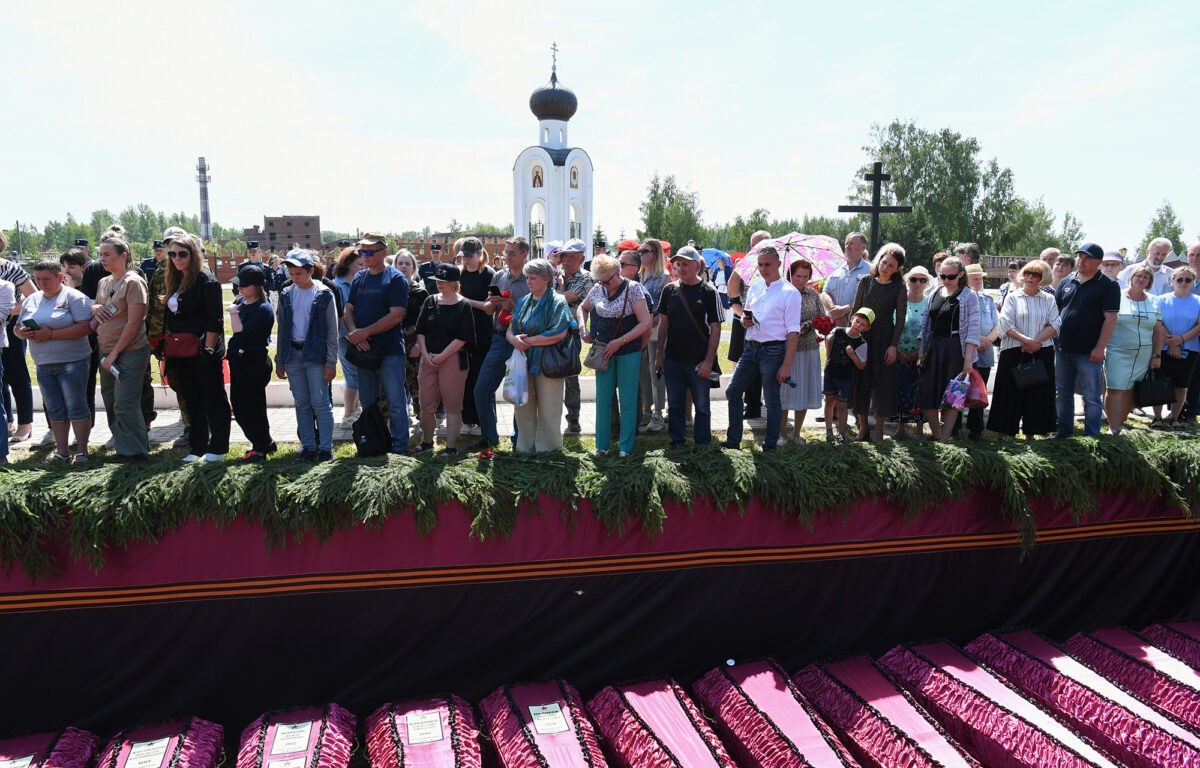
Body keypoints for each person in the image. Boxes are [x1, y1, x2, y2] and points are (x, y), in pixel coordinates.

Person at [15, 261, 93, 464]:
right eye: (38, 279)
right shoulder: (31, 299)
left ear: (60, 277)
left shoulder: (74, 297)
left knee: (76, 406)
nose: (42, 283)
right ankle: (62, 452)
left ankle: (82, 451)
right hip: (43, 364)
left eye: (46, 279)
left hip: (72, 362)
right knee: (54, 408)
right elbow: (17, 327)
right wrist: (22, 332)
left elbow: (86, 327)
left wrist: (50, 335)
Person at [724, 245, 801, 451]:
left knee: (772, 399)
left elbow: (793, 332)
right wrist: (744, 320)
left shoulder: (790, 293)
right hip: (751, 347)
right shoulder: (755, 287)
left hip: (773, 351)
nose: (763, 269)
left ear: (779, 264)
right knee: (733, 391)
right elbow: (746, 314)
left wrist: (787, 365)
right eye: (760, 265)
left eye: (767, 264)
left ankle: (769, 446)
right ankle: (733, 441)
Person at [162, 233, 231, 462]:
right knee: (191, 399)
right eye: (172, 254)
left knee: (213, 398)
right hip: (180, 351)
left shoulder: (206, 280)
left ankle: (218, 448)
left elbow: (215, 320)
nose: (177, 258)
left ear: (193, 254)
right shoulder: (174, 278)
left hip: (204, 350)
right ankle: (198, 446)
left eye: (182, 254)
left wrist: (208, 352)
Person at [345, 233, 411, 455]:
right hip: (363, 350)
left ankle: (400, 445)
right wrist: (355, 333)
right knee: (368, 401)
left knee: (395, 401)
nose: (364, 255)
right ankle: (373, 441)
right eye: (361, 251)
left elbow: (396, 315)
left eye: (369, 252)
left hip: (389, 351)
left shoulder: (396, 279)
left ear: (383, 253)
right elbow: (349, 309)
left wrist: (365, 333)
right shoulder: (359, 277)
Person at [581, 254, 652, 457]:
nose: (605, 285)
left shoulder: (634, 289)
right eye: (601, 281)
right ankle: (601, 446)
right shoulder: (598, 288)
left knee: (628, 400)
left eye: (608, 281)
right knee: (603, 398)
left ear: (618, 273)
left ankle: (625, 447)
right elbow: (583, 308)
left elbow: (645, 323)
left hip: (628, 351)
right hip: (604, 351)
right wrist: (582, 328)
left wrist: (620, 342)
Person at [507, 258, 576, 454]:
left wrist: (527, 341)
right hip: (523, 362)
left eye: (533, 278)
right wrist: (513, 339)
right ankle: (525, 448)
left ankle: (548, 450)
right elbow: (510, 329)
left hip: (549, 363)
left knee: (549, 408)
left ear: (546, 278)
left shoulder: (558, 301)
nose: (528, 282)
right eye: (527, 278)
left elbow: (559, 333)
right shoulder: (524, 301)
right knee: (523, 406)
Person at [654, 246, 722, 447]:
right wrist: (660, 356)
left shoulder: (709, 292)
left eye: (685, 264)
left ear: (697, 266)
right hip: (673, 359)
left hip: (699, 362)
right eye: (678, 264)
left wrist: (708, 361)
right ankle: (677, 444)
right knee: (675, 405)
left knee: (702, 407)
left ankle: (703, 446)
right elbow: (663, 324)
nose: (681, 268)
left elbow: (716, 328)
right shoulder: (669, 290)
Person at [276, 250, 339, 462]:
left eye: (299, 273)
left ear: (311, 270)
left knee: (320, 403)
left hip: (316, 356)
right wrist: (280, 359)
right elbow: (282, 328)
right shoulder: (286, 294)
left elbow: (332, 331)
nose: (295, 278)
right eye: (291, 274)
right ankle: (308, 447)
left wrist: (331, 362)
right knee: (301, 403)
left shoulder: (324, 294)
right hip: (293, 355)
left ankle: (325, 449)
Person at [92, 236, 150, 460]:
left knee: (125, 402)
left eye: (107, 254)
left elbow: (134, 323)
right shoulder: (103, 282)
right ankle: (122, 444)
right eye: (101, 255)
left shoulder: (134, 282)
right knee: (110, 400)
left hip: (130, 351)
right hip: (105, 350)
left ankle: (134, 453)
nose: (102, 259)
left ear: (123, 255)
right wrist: (94, 308)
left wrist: (115, 353)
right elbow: (100, 311)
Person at [988, 260, 1060, 439]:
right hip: (1014, 350)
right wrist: (1026, 341)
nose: (1030, 277)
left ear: (1043, 277)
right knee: (1008, 392)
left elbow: (1055, 323)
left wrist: (1036, 342)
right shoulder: (1013, 297)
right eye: (1027, 273)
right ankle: (1005, 433)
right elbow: (1005, 323)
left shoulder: (1049, 299)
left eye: (1035, 274)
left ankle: (1032, 432)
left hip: (1042, 350)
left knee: (1038, 393)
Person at [1054, 243, 1120, 437]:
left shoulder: (1108, 285)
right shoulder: (1066, 281)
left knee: (1091, 396)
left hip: (1089, 351)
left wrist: (1100, 347)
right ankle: (1063, 432)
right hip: (1062, 348)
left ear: (1099, 262)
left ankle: (1092, 436)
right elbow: (1055, 312)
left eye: (1087, 258)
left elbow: (1111, 318)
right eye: (1080, 256)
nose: (1081, 261)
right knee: (1062, 393)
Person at [473, 236, 530, 457]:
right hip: (498, 339)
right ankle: (489, 437)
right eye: (506, 252)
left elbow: (535, 314)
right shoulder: (499, 276)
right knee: (481, 390)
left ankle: (518, 440)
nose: (507, 257)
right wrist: (493, 303)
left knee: (518, 392)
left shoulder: (532, 278)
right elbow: (489, 310)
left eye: (512, 253)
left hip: (521, 342)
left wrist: (513, 306)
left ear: (524, 255)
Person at [412, 264, 476, 456]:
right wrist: (425, 354)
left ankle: (451, 448)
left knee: (452, 407)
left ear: (454, 283)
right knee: (426, 406)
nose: (439, 284)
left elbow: (463, 337)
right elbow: (420, 330)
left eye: (444, 281)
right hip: (428, 359)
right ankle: (427, 443)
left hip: (453, 360)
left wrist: (442, 356)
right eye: (438, 281)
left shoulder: (464, 305)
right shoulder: (430, 301)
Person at [849, 242, 907, 442]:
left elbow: (900, 319)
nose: (886, 267)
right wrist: (852, 335)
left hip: (885, 340)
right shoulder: (866, 281)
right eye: (884, 262)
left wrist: (893, 346)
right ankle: (863, 427)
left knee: (882, 384)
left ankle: (879, 429)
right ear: (879, 260)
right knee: (861, 382)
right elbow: (855, 310)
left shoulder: (899, 288)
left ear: (898, 269)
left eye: (891, 265)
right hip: (863, 338)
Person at [918, 256, 980, 441]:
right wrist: (921, 353)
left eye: (950, 276)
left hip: (956, 350)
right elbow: (925, 326)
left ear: (960, 274)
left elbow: (973, 329)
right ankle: (938, 435)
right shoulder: (934, 293)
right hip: (933, 349)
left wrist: (968, 359)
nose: (946, 280)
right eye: (942, 276)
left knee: (954, 395)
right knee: (927, 393)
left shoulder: (969, 296)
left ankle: (945, 437)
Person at [1104, 263, 1165, 434]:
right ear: (1131, 278)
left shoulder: (1154, 300)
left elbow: (1158, 331)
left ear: (1150, 281)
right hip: (1117, 350)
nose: (1141, 279)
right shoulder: (1116, 296)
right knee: (1115, 388)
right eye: (1138, 275)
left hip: (1143, 354)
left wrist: (1157, 355)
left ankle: (1120, 424)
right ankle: (1112, 427)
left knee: (1130, 389)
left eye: (1146, 277)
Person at [226, 265, 276, 463]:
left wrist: (233, 313)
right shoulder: (243, 303)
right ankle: (264, 442)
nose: (239, 289)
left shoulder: (263, 309)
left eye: (243, 285)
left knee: (252, 407)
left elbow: (241, 333)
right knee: (239, 405)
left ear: (255, 286)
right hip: (240, 362)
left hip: (253, 362)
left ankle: (260, 447)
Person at [779, 258, 828, 443]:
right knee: (784, 392)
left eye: (805, 277)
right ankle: (781, 433)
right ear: (790, 274)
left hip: (809, 349)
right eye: (798, 276)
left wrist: (811, 324)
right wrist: (793, 328)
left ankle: (797, 434)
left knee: (803, 391)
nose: (801, 280)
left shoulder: (812, 294)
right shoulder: (782, 292)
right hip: (786, 350)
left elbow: (822, 317)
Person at [726, 231, 773, 422]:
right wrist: (741, 267)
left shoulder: (779, 265)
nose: (757, 249)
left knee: (769, 367)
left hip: (772, 325)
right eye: (754, 246)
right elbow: (732, 293)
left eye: (761, 245)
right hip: (749, 322)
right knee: (750, 365)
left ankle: (773, 407)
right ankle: (752, 405)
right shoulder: (747, 267)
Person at [1151, 266, 1200, 427]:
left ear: (1193, 282)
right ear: (1172, 281)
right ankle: (1157, 418)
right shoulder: (1160, 300)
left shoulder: (1198, 301)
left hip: (1190, 348)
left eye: (1188, 280)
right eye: (1179, 279)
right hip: (1162, 347)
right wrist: (1172, 343)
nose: (1183, 282)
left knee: (1181, 385)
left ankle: (1174, 417)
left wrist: (1181, 339)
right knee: (1159, 383)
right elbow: (1158, 323)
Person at [457, 237, 495, 437]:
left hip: (483, 333)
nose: (467, 260)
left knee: (482, 378)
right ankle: (466, 419)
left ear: (480, 254)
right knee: (465, 377)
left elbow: (490, 308)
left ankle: (483, 421)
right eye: (464, 256)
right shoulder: (459, 274)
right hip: (463, 334)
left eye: (470, 256)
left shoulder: (490, 275)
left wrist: (465, 301)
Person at [555, 238, 592, 435]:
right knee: (550, 375)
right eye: (564, 256)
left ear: (581, 259)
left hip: (572, 333)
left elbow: (566, 298)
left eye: (571, 257)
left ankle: (573, 420)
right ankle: (551, 420)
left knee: (570, 377)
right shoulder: (556, 274)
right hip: (551, 332)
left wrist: (557, 289)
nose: (566, 261)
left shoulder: (585, 277)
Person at [0, 237, 35, 445]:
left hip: (11, 326)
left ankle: (25, 424)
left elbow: (33, 296)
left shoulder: (11, 269)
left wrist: (8, 311)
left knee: (17, 374)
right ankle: (7, 422)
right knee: (0, 378)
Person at [960, 263, 998, 440]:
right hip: (965, 352)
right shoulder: (961, 298)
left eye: (980, 278)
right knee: (960, 389)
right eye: (974, 278)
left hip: (985, 352)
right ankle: (954, 427)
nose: (978, 281)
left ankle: (976, 429)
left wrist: (988, 340)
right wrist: (978, 340)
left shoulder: (988, 299)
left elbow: (997, 326)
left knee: (979, 392)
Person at [391, 249, 429, 430]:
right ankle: (398, 422)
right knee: (393, 385)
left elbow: (426, 322)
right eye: (400, 263)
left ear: (413, 267)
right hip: (392, 342)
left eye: (408, 264)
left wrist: (420, 346)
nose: (404, 266)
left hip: (414, 343)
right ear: (395, 266)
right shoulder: (389, 288)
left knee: (417, 385)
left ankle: (424, 423)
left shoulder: (420, 292)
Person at [636, 239, 669, 433]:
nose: (640, 254)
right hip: (639, 330)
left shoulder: (664, 278)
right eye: (639, 251)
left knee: (656, 371)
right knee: (643, 372)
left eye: (645, 251)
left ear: (655, 253)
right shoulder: (638, 275)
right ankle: (646, 409)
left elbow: (668, 307)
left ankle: (658, 413)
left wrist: (654, 318)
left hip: (656, 330)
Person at [823, 309, 870, 444]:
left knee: (842, 406)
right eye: (857, 321)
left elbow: (861, 365)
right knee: (829, 402)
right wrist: (828, 358)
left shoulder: (862, 343)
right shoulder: (838, 331)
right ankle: (829, 431)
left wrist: (852, 355)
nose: (858, 325)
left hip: (845, 377)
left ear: (867, 328)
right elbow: (828, 343)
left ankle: (841, 434)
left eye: (863, 324)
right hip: (830, 373)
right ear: (852, 319)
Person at [895, 266, 931, 439]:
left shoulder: (929, 303)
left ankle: (919, 430)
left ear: (927, 283)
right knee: (900, 391)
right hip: (899, 354)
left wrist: (920, 353)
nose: (918, 283)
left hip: (921, 356)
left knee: (919, 393)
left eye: (922, 280)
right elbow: (891, 327)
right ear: (907, 281)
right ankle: (900, 428)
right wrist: (898, 351)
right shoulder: (899, 301)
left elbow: (931, 331)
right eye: (914, 279)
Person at [332, 247, 364, 425]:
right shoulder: (338, 286)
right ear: (348, 264)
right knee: (352, 376)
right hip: (345, 338)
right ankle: (348, 415)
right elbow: (341, 316)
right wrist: (351, 336)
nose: (363, 267)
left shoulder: (357, 283)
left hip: (357, 336)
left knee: (358, 375)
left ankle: (356, 409)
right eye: (359, 264)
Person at [822, 231, 870, 327]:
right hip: (832, 325)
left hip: (856, 327)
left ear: (862, 248)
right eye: (846, 243)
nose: (847, 246)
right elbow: (825, 293)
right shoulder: (835, 268)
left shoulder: (870, 271)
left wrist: (844, 309)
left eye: (852, 243)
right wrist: (834, 310)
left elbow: (869, 299)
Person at [1182, 243, 1200, 424]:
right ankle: (1176, 411)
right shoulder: (1181, 276)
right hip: (1178, 336)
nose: (1194, 258)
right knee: (1180, 375)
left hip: (1197, 336)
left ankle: (1192, 412)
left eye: (1199, 255)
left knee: (1196, 376)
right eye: (1191, 254)